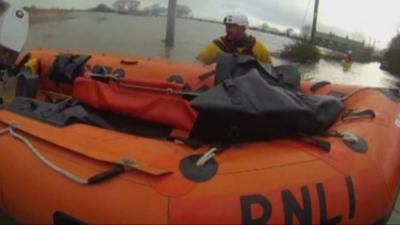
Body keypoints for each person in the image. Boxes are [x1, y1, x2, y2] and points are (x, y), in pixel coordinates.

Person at [196, 14, 273, 65]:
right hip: (222, 84)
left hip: (246, 85)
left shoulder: (255, 46)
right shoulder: (219, 44)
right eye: (226, 26)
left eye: (231, 27)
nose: (227, 30)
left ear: (242, 29)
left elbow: (269, 67)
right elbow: (199, 62)